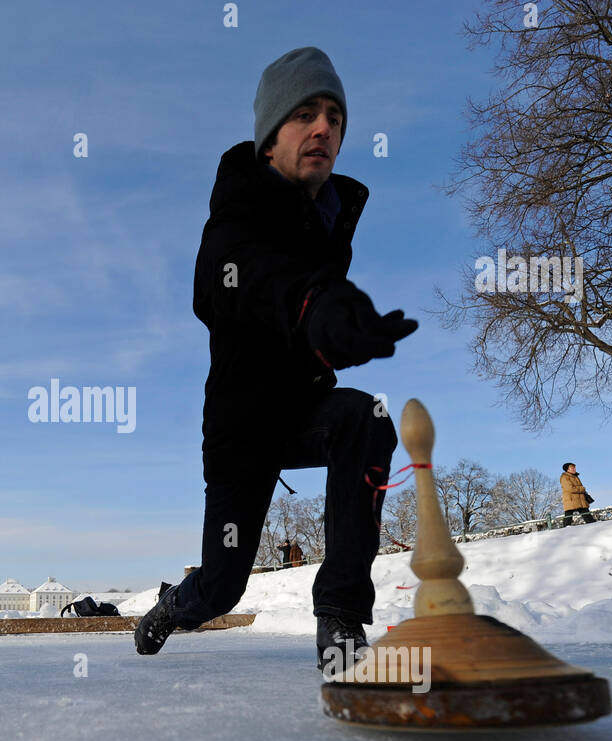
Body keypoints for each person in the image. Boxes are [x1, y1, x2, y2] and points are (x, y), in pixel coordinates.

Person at [135, 47, 416, 669]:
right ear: (268, 139)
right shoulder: (237, 207)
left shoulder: (331, 215)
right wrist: (313, 306)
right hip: (241, 428)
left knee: (365, 419)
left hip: (302, 409)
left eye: (336, 118)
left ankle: (341, 617)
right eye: (305, 114)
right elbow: (221, 285)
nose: (324, 129)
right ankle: (173, 604)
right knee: (223, 587)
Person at [559, 463, 596, 527]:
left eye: (574, 467)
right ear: (567, 469)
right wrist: (582, 489)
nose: (574, 469)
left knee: (587, 516)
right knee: (568, 517)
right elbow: (570, 488)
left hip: (580, 500)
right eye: (572, 468)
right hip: (571, 500)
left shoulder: (575, 476)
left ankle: (594, 526)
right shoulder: (564, 477)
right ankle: (564, 530)